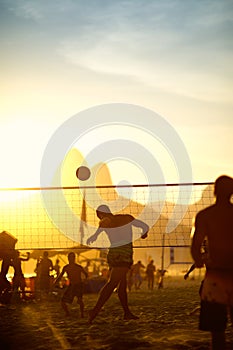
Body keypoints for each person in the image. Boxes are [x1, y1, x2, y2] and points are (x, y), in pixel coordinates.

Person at [86, 204, 149, 324]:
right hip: (124, 255)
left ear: (100, 214)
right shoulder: (127, 218)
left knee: (121, 285)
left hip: (115, 254)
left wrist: (95, 235)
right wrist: (144, 233)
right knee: (112, 283)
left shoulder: (106, 220)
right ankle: (95, 310)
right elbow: (144, 226)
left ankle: (127, 312)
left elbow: (104, 221)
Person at [191, 175, 233, 350]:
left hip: (215, 276)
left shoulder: (205, 215)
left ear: (214, 191)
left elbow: (195, 245)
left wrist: (199, 260)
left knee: (217, 331)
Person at [54, 252, 88, 317]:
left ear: (74, 258)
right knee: (63, 301)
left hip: (78, 285)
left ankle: (82, 314)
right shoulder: (66, 267)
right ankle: (68, 313)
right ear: (68, 258)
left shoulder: (78, 267)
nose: (71, 259)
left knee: (80, 300)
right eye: (70, 258)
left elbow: (86, 274)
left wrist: (84, 281)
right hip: (72, 285)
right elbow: (60, 276)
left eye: (73, 257)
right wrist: (55, 283)